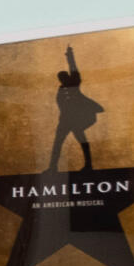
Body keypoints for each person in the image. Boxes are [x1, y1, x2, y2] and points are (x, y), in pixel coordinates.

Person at [44, 46, 102, 174]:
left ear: (67, 77)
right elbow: (61, 106)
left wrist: (70, 55)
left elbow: (73, 68)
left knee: (82, 141)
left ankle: (88, 165)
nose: (62, 79)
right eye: (61, 77)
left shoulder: (74, 83)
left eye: (64, 76)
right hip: (65, 120)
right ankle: (53, 167)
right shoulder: (61, 90)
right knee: (57, 143)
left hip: (76, 119)